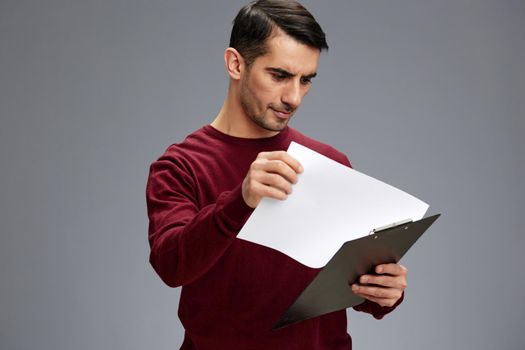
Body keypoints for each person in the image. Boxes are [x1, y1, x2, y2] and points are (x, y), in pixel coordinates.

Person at [146, 1, 407, 349]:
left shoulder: (329, 162)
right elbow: (171, 266)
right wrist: (241, 200)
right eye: (280, 75)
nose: (294, 97)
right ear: (236, 64)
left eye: (306, 80)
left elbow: (346, 288)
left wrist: (382, 293)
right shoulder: (180, 165)